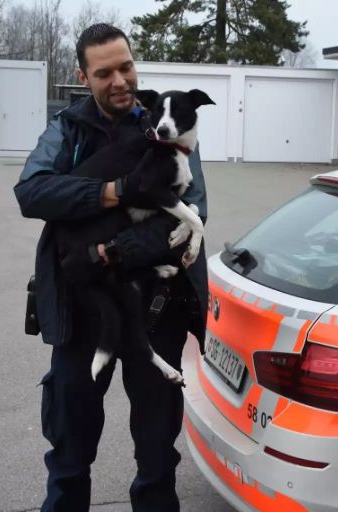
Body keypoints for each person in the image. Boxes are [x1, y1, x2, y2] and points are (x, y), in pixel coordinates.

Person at [13, 23, 208, 512]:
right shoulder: (68, 130)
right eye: (104, 73)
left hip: (156, 309)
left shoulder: (168, 121)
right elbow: (32, 192)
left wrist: (111, 252)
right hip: (83, 313)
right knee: (70, 446)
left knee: (157, 450)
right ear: (83, 76)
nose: (119, 80)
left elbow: (191, 209)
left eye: (125, 66)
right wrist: (113, 192)